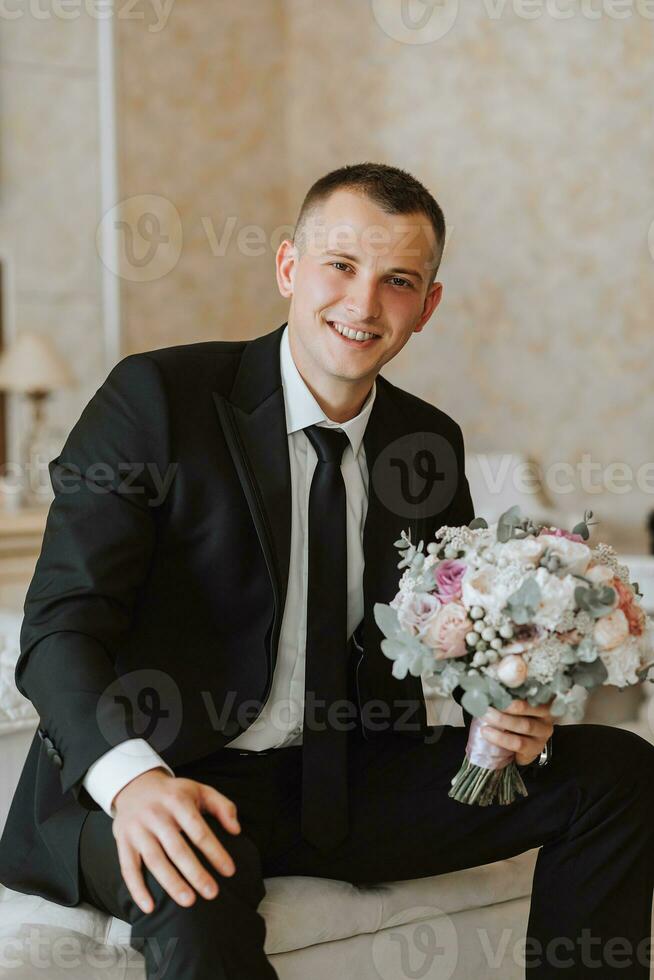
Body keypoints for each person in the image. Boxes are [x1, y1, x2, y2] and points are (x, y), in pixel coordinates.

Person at [1, 162, 652, 979]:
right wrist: (133, 784)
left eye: (399, 280)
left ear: (427, 306)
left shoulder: (428, 442)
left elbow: (444, 641)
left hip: (341, 781)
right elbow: (61, 627)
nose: (363, 303)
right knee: (199, 873)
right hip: (164, 772)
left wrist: (495, 714)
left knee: (618, 771)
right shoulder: (157, 399)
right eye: (340, 266)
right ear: (287, 268)